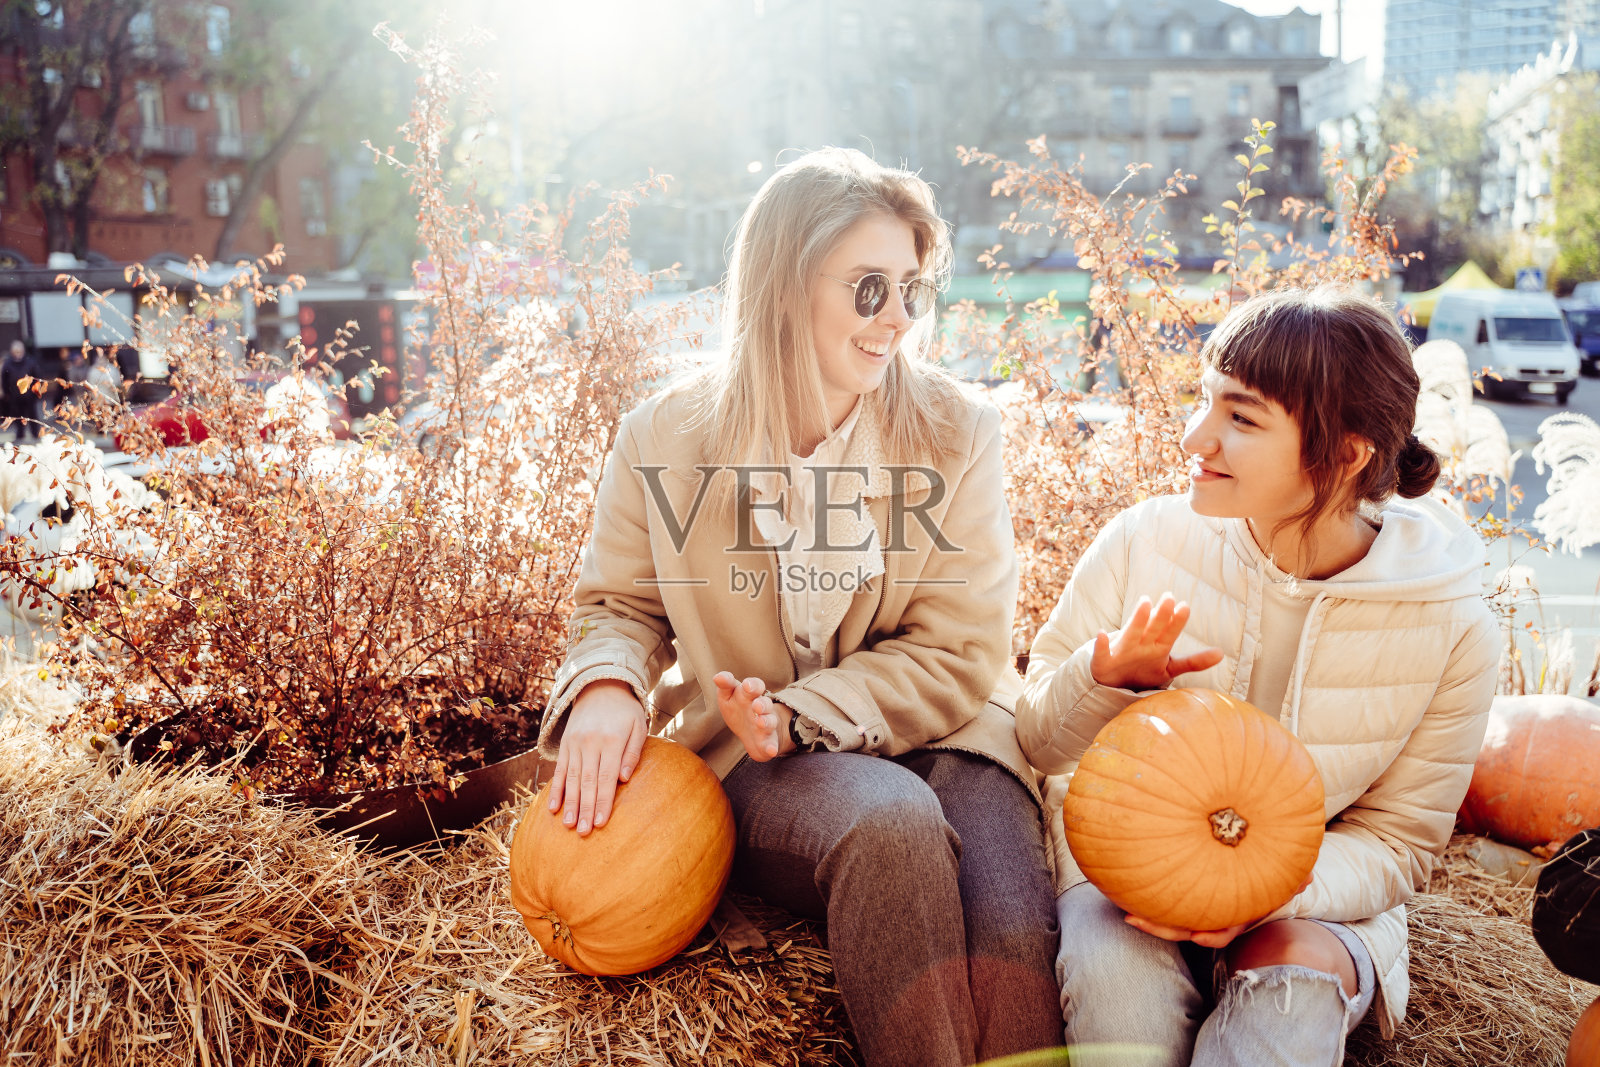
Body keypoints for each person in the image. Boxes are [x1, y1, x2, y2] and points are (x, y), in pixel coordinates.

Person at [535, 147, 1062, 1067]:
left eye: (912, 288)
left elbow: (961, 645)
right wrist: (607, 686)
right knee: (887, 824)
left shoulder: (956, 431)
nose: (897, 318)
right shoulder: (666, 436)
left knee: (1011, 935)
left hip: (954, 737)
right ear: (784, 286)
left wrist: (806, 708)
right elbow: (616, 603)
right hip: (762, 762)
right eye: (869, 289)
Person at [1015, 287, 1499, 1067]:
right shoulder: (1143, 542)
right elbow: (1038, 738)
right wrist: (1107, 675)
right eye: (1205, 400)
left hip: (1312, 899)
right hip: (1121, 878)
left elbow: (1398, 841)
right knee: (1119, 1008)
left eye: (1240, 419)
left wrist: (1268, 890)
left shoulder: (1455, 627)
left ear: (1347, 453)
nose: (1194, 437)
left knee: (1289, 999)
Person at [2, 339, 40, 442]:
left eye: (19, 351)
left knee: (33, 416)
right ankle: (20, 436)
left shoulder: (30, 362)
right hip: (15, 396)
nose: (18, 353)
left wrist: (36, 393)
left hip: (29, 396)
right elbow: (4, 379)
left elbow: (37, 378)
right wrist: (7, 394)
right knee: (18, 417)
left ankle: (36, 434)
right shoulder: (8, 364)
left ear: (23, 351)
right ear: (12, 352)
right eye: (16, 351)